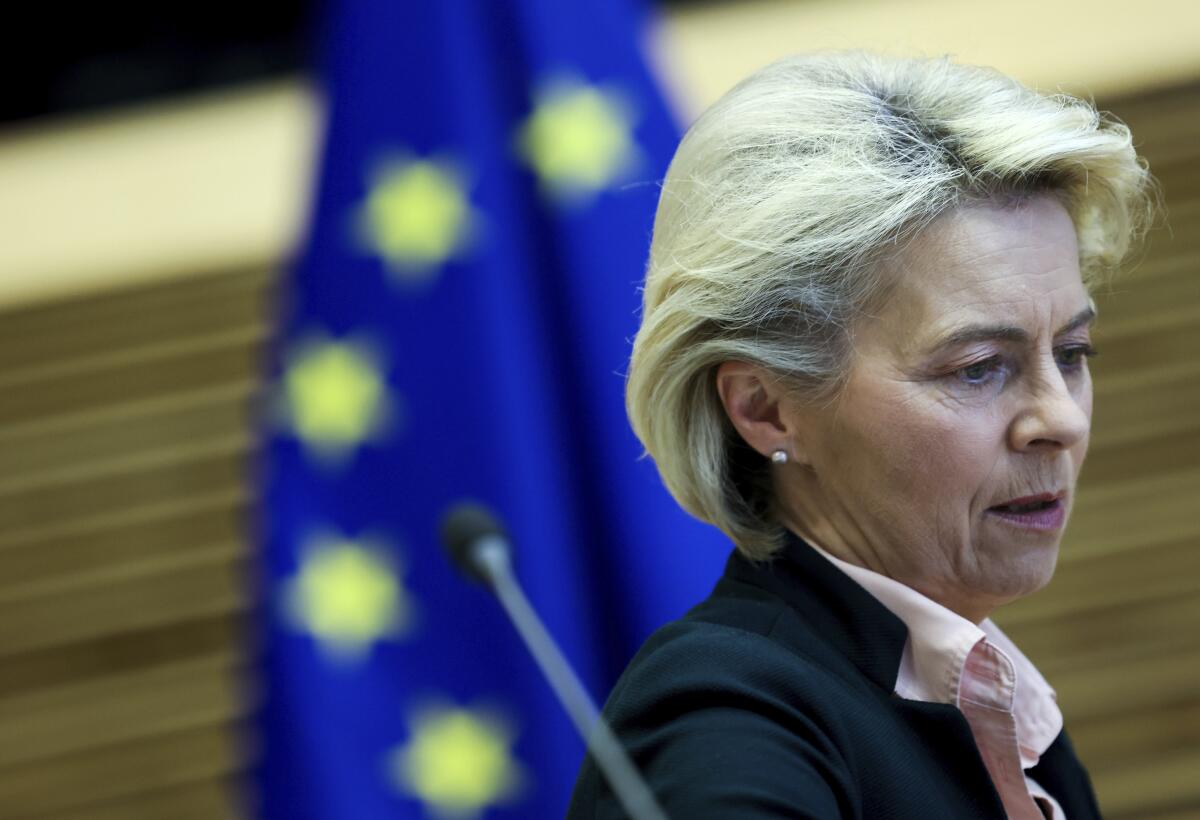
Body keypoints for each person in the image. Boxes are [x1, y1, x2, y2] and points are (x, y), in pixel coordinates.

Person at [567, 51, 1154, 819]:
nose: (1062, 420)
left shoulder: (981, 698)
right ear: (766, 409)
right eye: (979, 368)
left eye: (1072, 355)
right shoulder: (724, 720)